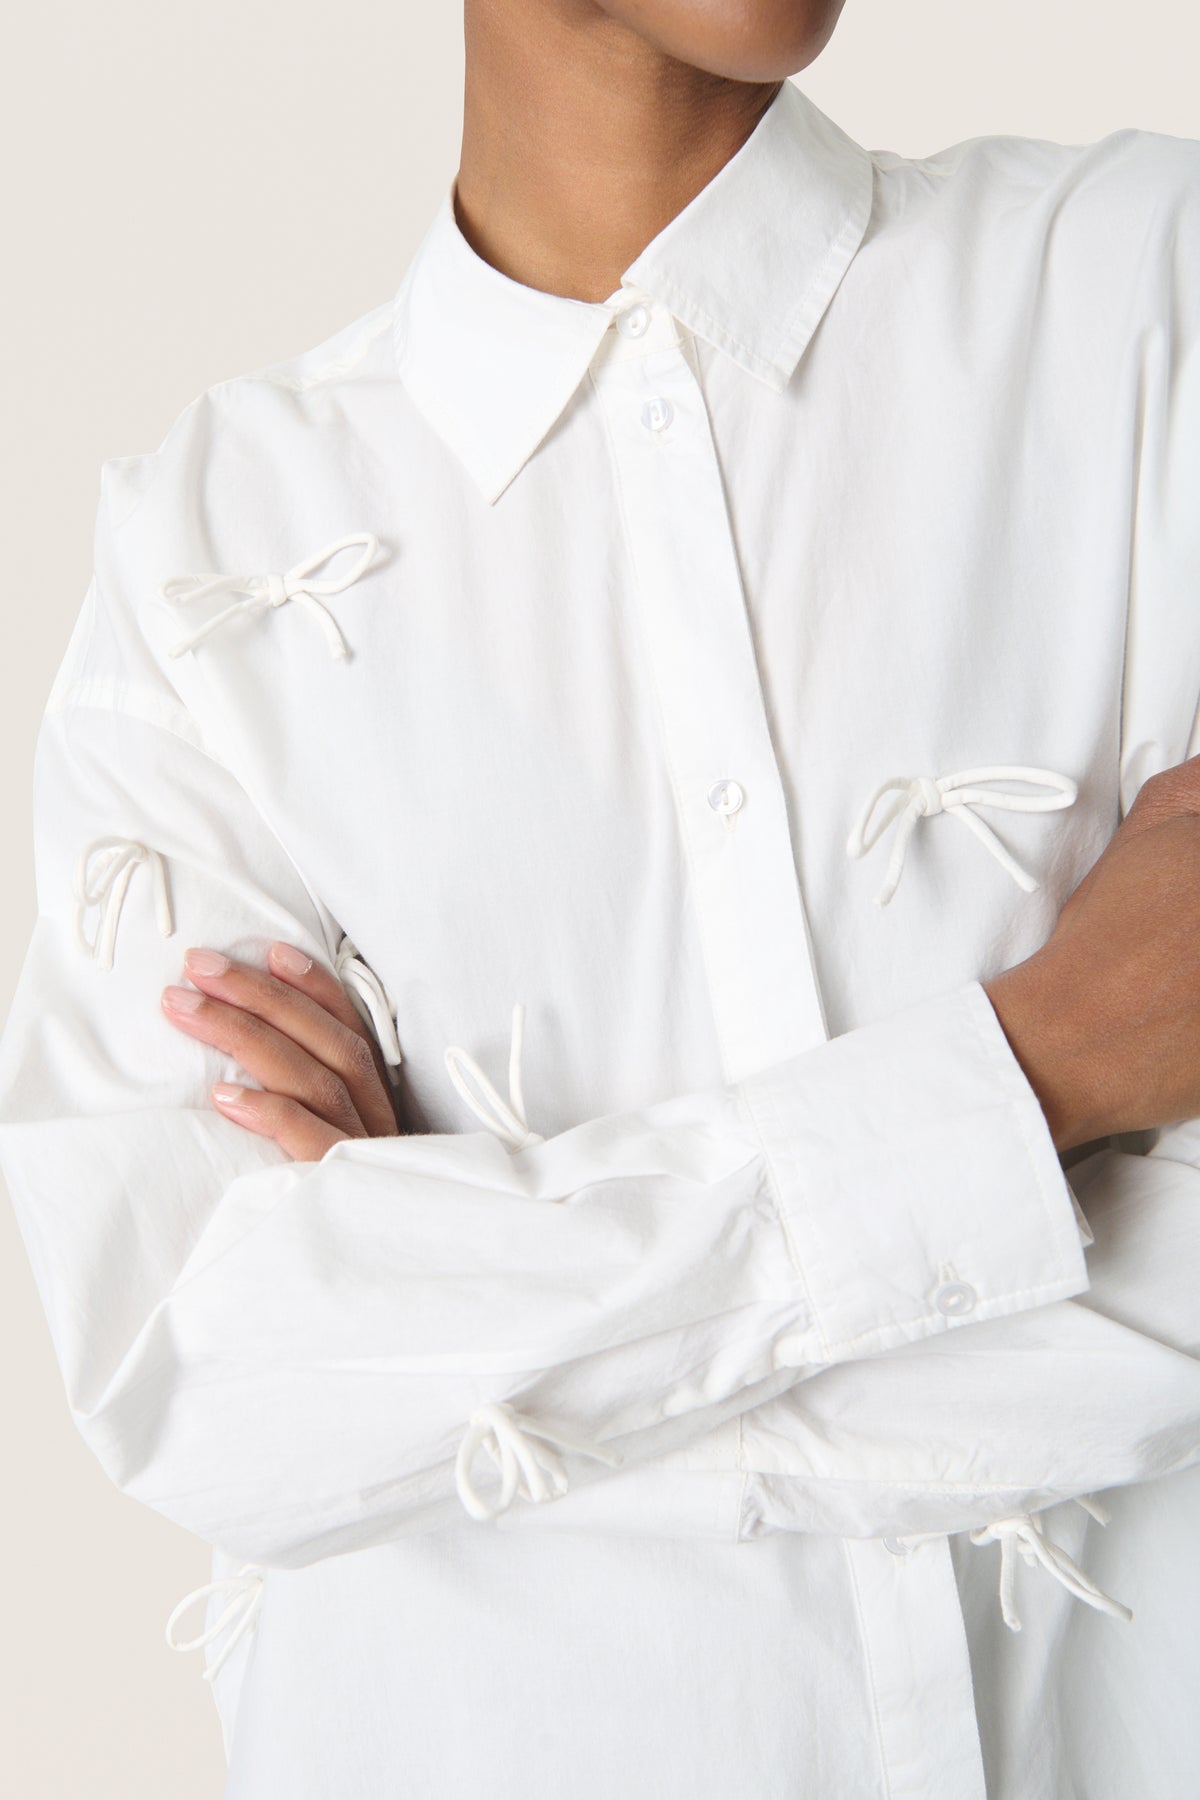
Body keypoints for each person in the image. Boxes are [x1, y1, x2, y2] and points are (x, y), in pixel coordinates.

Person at [0, 1, 1197, 1794]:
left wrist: (459, 1341)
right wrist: (1038, 1073)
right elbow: (212, 1388)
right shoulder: (206, 551)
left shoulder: (1145, 297)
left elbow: (329, 1403)